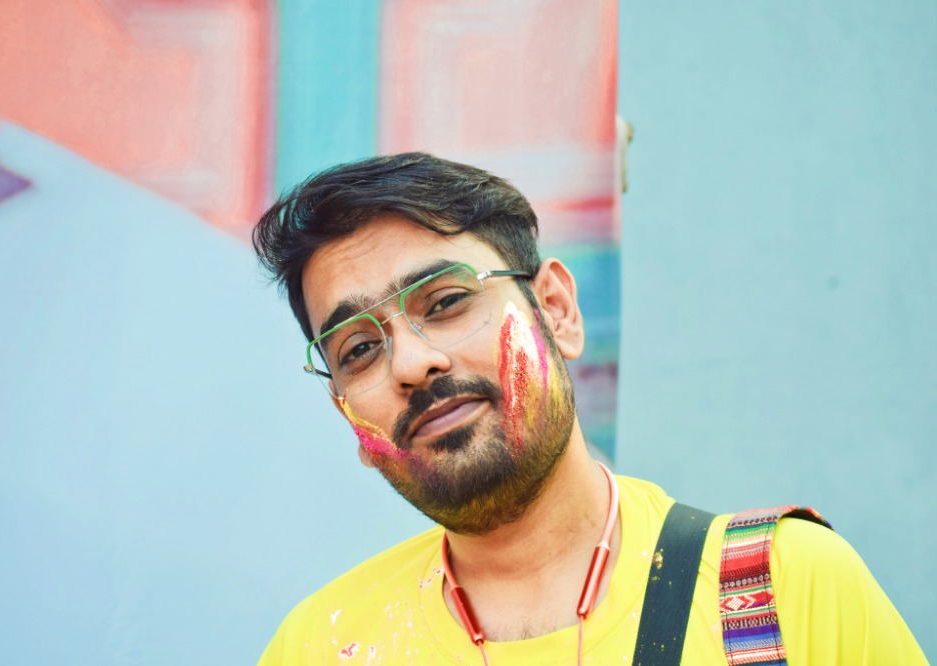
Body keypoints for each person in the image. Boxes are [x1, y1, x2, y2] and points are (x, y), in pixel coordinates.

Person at [252, 153, 925, 664]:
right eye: (359, 349)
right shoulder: (321, 647)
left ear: (557, 310)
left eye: (448, 301)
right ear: (345, 411)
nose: (410, 364)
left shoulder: (784, 589)